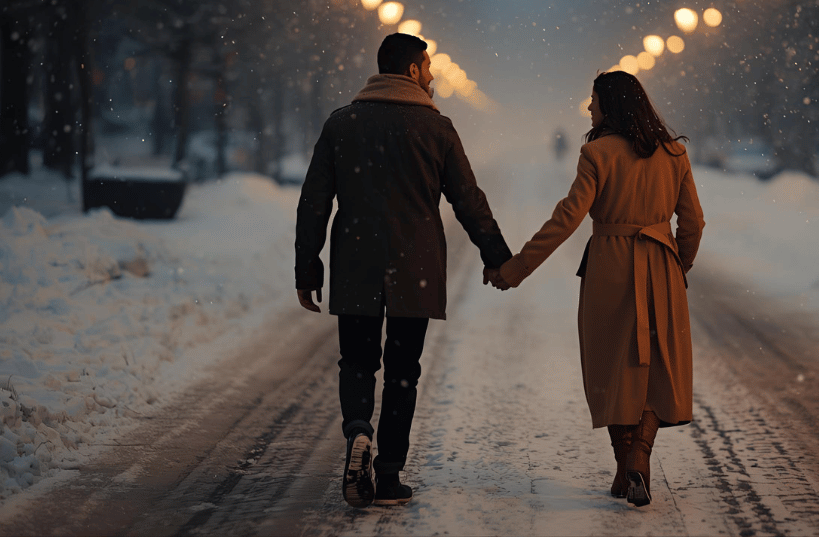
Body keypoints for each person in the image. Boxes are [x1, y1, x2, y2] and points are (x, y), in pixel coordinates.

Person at [295, 33, 512, 509]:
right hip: (416, 266)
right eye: (428, 67)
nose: (432, 76)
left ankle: (358, 430)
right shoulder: (436, 128)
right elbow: (468, 200)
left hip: (355, 263)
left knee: (357, 362)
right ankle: (389, 474)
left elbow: (314, 202)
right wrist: (496, 255)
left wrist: (307, 268)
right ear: (413, 70)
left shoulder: (342, 124)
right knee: (402, 372)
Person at [485, 70, 703, 507]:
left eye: (594, 99)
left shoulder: (597, 154)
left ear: (611, 105)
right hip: (662, 265)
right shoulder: (674, 153)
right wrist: (678, 263)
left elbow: (567, 218)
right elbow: (693, 222)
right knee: (657, 368)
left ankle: (626, 461)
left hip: (611, 267)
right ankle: (638, 457)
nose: (589, 107)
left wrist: (517, 268)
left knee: (611, 366)